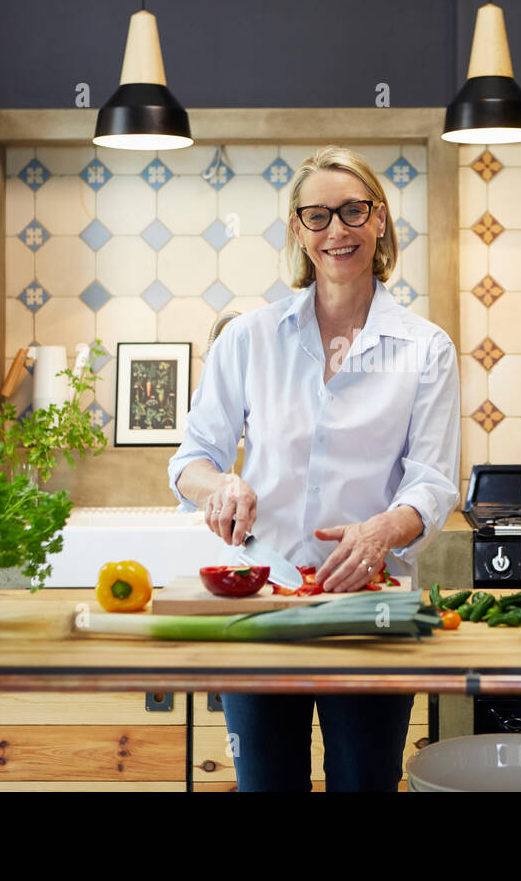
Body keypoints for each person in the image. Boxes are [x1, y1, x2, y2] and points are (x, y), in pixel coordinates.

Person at [168, 145, 461, 791]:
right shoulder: (249, 338)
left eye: (354, 211)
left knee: (365, 784)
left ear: (380, 221)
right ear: (299, 231)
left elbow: (434, 483)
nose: (338, 230)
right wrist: (223, 486)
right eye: (319, 216)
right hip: (265, 607)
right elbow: (192, 460)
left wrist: (383, 531)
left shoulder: (426, 349)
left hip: (372, 613)